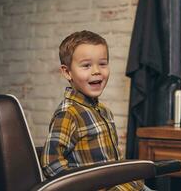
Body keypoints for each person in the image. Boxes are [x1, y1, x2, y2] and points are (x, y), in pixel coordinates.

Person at [41, 30, 150, 191]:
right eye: (86, 65)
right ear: (67, 72)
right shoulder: (68, 114)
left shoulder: (104, 111)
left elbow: (113, 160)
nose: (96, 71)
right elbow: (51, 163)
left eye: (103, 63)